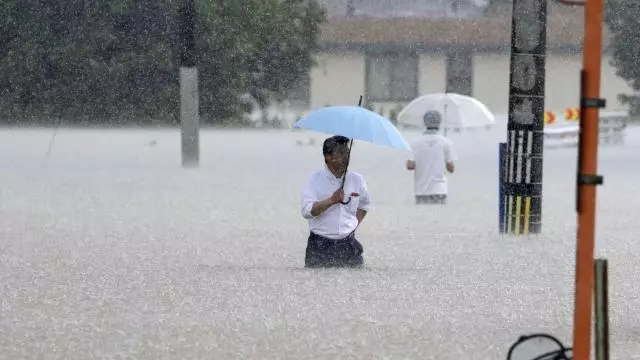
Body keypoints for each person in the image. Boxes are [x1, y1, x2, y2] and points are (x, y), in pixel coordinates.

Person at [301, 135, 371, 268]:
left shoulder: (357, 179)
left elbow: (364, 204)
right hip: (320, 246)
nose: (347, 156)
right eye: (341, 152)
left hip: (348, 244)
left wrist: (352, 226)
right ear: (328, 156)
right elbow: (306, 211)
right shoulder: (314, 179)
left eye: (347, 152)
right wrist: (331, 201)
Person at [406, 111, 456, 205]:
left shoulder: (415, 143)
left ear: (425, 123)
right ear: (439, 123)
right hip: (440, 190)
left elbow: (410, 165)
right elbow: (451, 168)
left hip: (421, 190)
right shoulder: (446, 143)